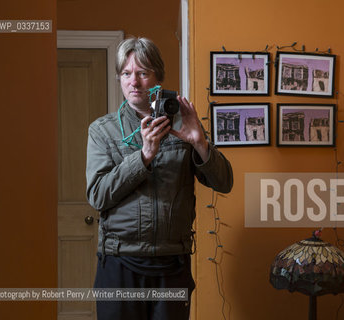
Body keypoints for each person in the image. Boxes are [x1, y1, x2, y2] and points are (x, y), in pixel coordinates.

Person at [86, 36, 233, 320]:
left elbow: (224, 183)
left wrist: (200, 143)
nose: (134, 82)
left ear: (158, 78)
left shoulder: (184, 126)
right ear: (119, 79)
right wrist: (143, 156)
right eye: (127, 74)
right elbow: (98, 195)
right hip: (120, 262)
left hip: (172, 264)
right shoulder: (102, 131)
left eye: (143, 73)